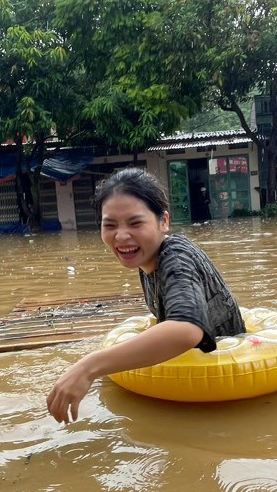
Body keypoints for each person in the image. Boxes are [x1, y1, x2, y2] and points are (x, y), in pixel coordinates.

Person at [47, 168, 244, 423]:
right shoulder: (147, 258)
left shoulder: (175, 256)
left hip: (223, 392)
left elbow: (187, 330)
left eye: (135, 223)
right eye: (110, 225)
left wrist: (88, 367)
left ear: (164, 222)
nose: (121, 236)